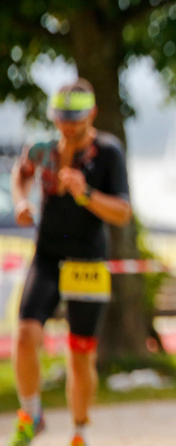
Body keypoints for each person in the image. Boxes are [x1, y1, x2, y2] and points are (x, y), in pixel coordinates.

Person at [8, 79, 132, 446]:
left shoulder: (107, 152)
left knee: (80, 355)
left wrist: (86, 193)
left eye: (75, 119)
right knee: (26, 334)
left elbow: (123, 212)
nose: (67, 126)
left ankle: (80, 431)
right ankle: (31, 415)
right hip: (47, 254)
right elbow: (21, 173)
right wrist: (21, 203)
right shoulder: (43, 150)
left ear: (91, 114)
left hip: (88, 262)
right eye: (61, 119)